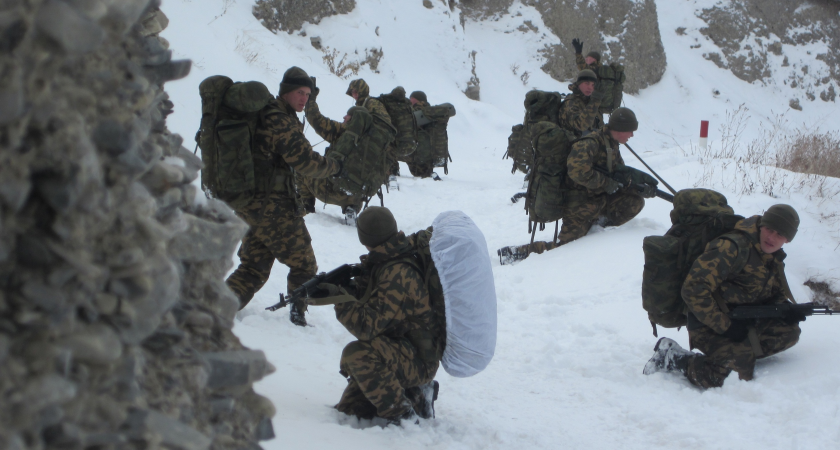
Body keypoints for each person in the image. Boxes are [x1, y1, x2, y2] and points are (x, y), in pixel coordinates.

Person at [225, 66, 340, 326]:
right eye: (300, 92)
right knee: (304, 264)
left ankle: (215, 307)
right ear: (286, 91)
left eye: (308, 95)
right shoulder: (279, 118)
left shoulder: (270, 113)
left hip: (252, 205)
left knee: (254, 266)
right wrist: (334, 166)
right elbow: (305, 161)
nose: (304, 99)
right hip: (272, 207)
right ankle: (297, 317)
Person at [644, 205, 803, 389]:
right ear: (762, 225)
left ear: (788, 239)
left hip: (741, 320)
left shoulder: (773, 257)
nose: (772, 238)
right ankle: (673, 357)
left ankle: (736, 353)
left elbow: (772, 294)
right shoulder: (732, 248)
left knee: (788, 332)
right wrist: (726, 327)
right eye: (769, 229)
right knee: (731, 377)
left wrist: (784, 310)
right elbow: (693, 288)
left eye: (780, 234)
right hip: (707, 323)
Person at [321, 207, 441, 425]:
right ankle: (417, 393)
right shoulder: (390, 255)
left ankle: (403, 414)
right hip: (401, 346)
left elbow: (367, 328)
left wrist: (340, 300)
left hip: (418, 358)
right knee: (353, 410)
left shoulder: (396, 273)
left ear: (364, 238)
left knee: (356, 354)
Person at [497, 107, 650, 263]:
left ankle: (597, 226)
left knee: (635, 201)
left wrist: (635, 185)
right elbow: (576, 172)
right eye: (630, 130)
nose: (632, 135)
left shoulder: (611, 144)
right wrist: (606, 183)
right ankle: (517, 253)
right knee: (565, 247)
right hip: (579, 206)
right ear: (620, 128)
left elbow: (616, 174)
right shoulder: (591, 143)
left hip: (598, 200)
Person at [299, 88, 365, 224]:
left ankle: (307, 204)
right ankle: (351, 209)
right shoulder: (371, 142)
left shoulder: (343, 132)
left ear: (354, 119)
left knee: (302, 166)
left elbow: (316, 119)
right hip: (353, 196)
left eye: (348, 116)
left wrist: (310, 100)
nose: (344, 117)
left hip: (327, 190)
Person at [347, 79, 399, 181]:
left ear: (362, 91)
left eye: (356, 92)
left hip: (382, 140)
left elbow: (385, 123)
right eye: (352, 92)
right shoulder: (362, 105)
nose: (354, 95)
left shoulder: (372, 103)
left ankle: (389, 172)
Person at [559, 69, 604, 137]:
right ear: (579, 84)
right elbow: (581, 125)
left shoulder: (590, 102)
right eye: (587, 83)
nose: (590, 88)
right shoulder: (570, 103)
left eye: (593, 85)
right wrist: (595, 101)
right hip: (571, 144)